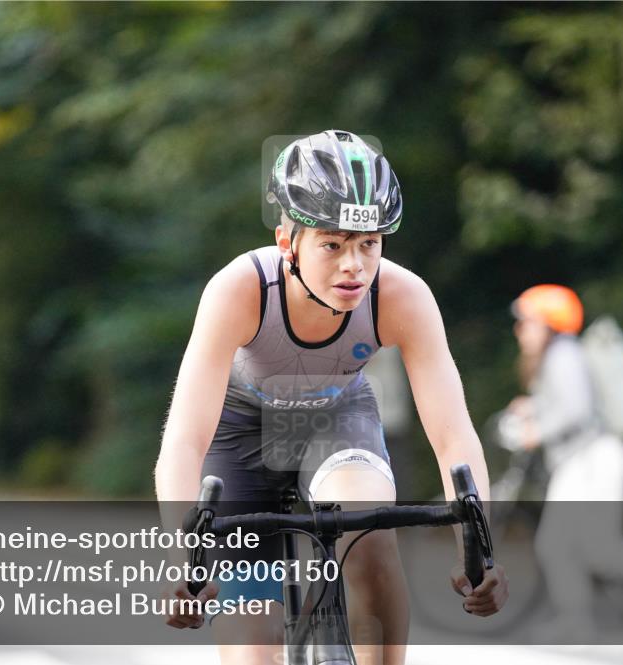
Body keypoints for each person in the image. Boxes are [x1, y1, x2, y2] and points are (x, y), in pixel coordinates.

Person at [154, 130, 508, 665]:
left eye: (369, 244)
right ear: (286, 242)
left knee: (369, 538)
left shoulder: (403, 296)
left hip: (336, 420)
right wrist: (184, 556)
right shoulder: (240, 289)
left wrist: (480, 550)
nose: (354, 266)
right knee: (254, 646)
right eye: (332, 244)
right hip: (239, 436)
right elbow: (184, 439)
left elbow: (453, 432)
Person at [505, 284, 623, 639]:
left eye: (526, 322)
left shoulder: (563, 355)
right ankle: (576, 619)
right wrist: (533, 408)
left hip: (592, 460)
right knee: (569, 545)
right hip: (587, 460)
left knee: (587, 546)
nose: (520, 330)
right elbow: (571, 404)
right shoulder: (561, 356)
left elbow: (576, 411)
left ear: (549, 323)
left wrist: (537, 430)